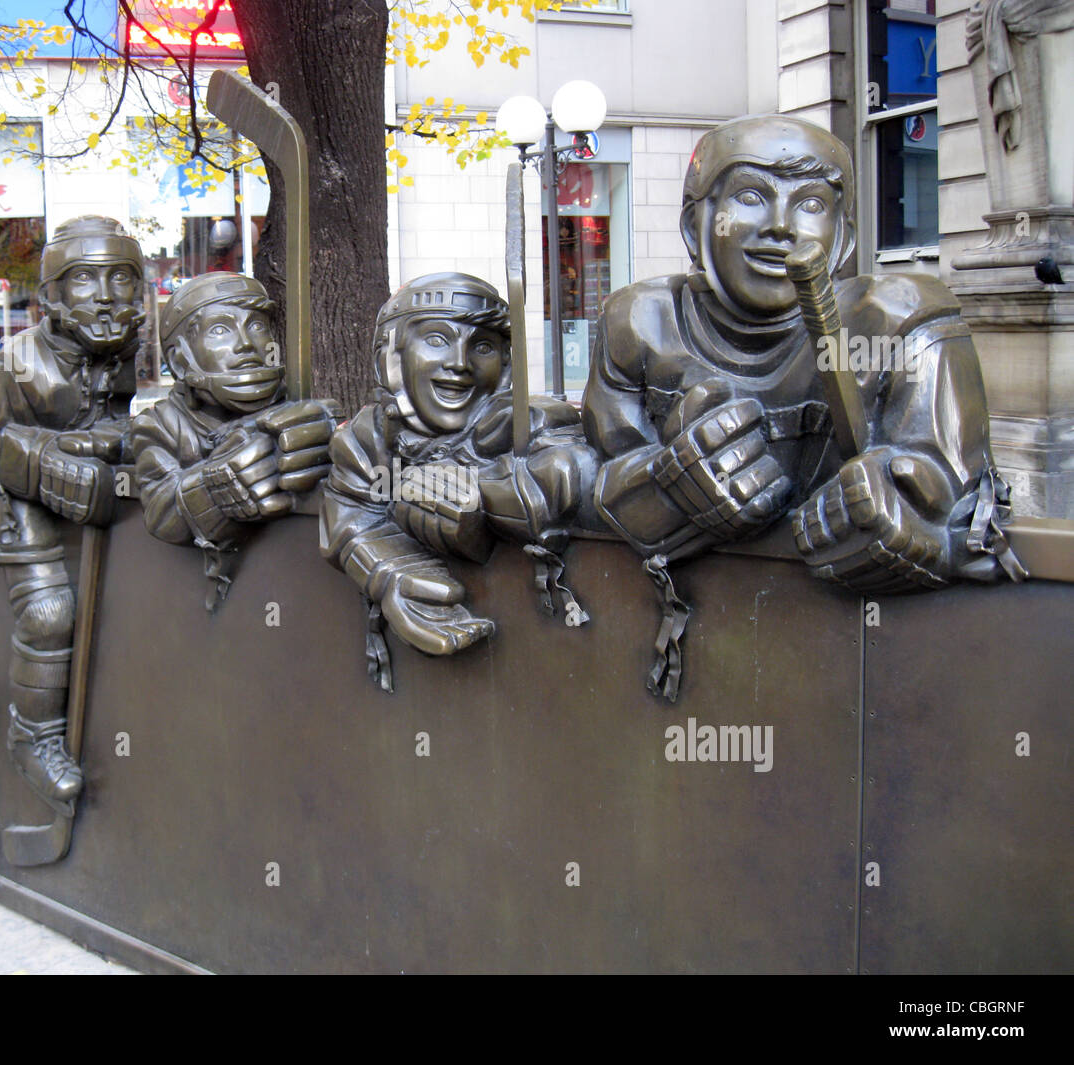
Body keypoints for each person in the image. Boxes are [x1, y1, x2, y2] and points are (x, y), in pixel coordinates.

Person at [581, 115, 1023, 696]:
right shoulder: (639, 322)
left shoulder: (898, 321)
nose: (781, 228)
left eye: (811, 203)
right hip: (690, 650)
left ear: (841, 236)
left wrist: (911, 527)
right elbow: (594, 477)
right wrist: (667, 488)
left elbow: (967, 512)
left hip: (862, 668)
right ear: (696, 224)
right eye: (750, 196)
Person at [320, 272, 598, 677]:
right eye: (436, 339)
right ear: (392, 357)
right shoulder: (368, 437)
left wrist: (479, 494)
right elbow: (349, 514)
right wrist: (393, 574)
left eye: (482, 346)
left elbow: (566, 473)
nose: (459, 363)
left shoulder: (528, 424)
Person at [0, 216, 144, 812]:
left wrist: (110, 443)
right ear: (52, 297)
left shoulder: (123, 350)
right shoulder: (21, 361)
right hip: (8, 488)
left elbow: (114, 419)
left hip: (79, 481)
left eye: (122, 279)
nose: (109, 295)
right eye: (87, 280)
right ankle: (32, 737)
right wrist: (46, 456)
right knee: (47, 611)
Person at [131, 272, 340, 608]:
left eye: (257, 326)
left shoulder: (293, 410)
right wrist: (216, 486)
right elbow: (162, 513)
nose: (246, 343)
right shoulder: (161, 425)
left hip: (293, 595)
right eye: (220, 330)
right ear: (179, 359)